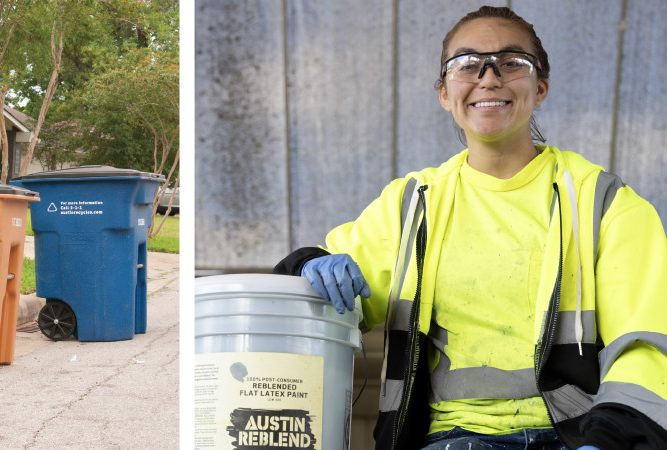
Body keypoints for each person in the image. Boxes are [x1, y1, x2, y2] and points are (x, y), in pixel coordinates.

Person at [274, 6, 667, 450]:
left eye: (512, 62)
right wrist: (311, 267)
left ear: (540, 88)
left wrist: (613, 440)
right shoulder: (412, 205)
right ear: (445, 93)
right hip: (452, 438)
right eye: (466, 63)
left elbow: (646, 346)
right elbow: (319, 299)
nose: (489, 76)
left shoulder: (606, 204)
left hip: (578, 435)